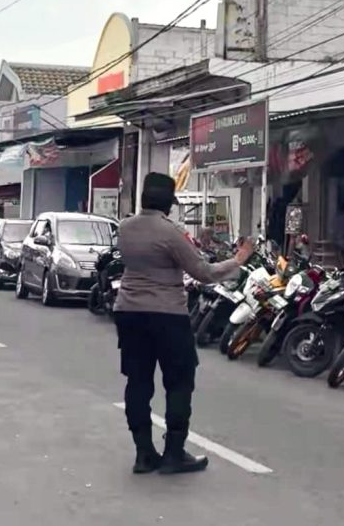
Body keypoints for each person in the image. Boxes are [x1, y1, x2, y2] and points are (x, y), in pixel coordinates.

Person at [113, 173, 254, 475]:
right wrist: (238, 260)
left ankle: (143, 454)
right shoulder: (171, 232)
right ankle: (174, 453)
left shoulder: (124, 228)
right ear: (168, 203)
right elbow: (203, 272)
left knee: (138, 382)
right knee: (179, 382)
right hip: (167, 315)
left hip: (129, 312)